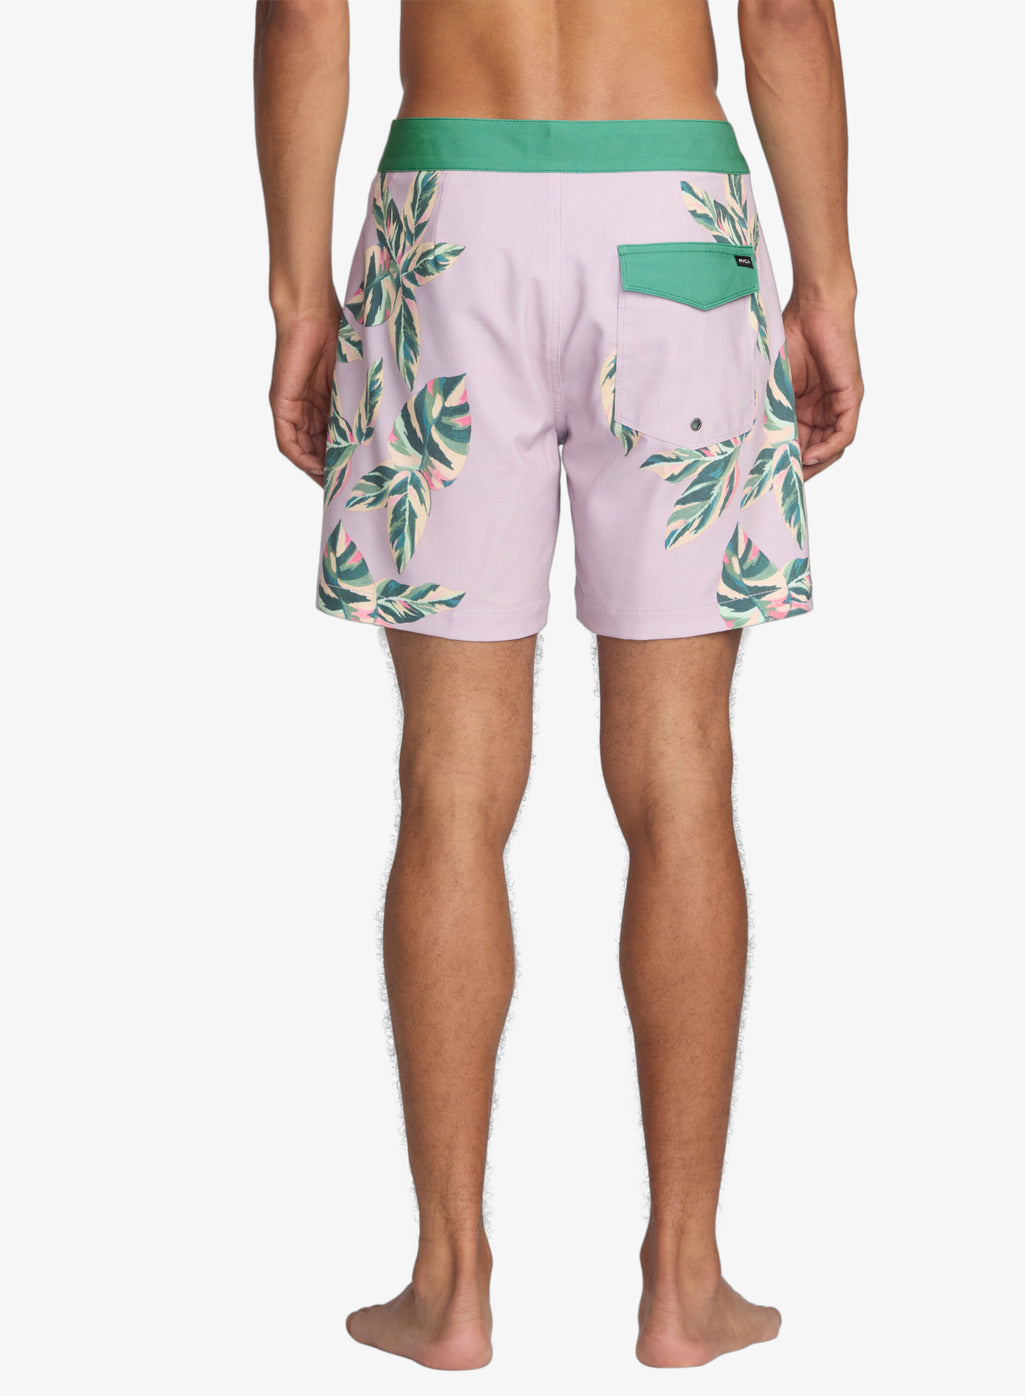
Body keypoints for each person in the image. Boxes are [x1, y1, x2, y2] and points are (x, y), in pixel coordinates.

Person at [254, 0, 861, 1370]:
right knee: (682, 773)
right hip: (671, 210)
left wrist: (299, 299)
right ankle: (683, 1281)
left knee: (449, 783)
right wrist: (825, 284)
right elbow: (782, 12)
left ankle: (449, 1283)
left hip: (448, 222)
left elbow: (301, 16)